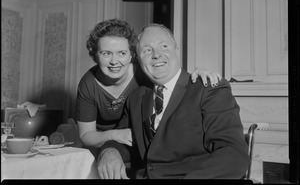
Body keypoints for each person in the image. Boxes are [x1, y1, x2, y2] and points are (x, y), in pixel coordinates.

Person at [97, 23, 249, 179]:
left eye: (164, 46)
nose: (156, 54)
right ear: (138, 59)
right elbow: (124, 139)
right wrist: (110, 151)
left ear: (177, 50)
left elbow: (233, 154)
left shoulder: (208, 89)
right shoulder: (137, 97)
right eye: (147, 50)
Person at [76, 19, 222, 164]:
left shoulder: (144, 71)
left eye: (121, 53)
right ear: (96, 55)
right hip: (102, 142)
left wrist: (197, 74)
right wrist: (115, 135)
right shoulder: (88, 84)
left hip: (140, 142)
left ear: (132, 55)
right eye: (106, 53)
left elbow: (173, 78)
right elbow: (86, 135)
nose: (114, 61)